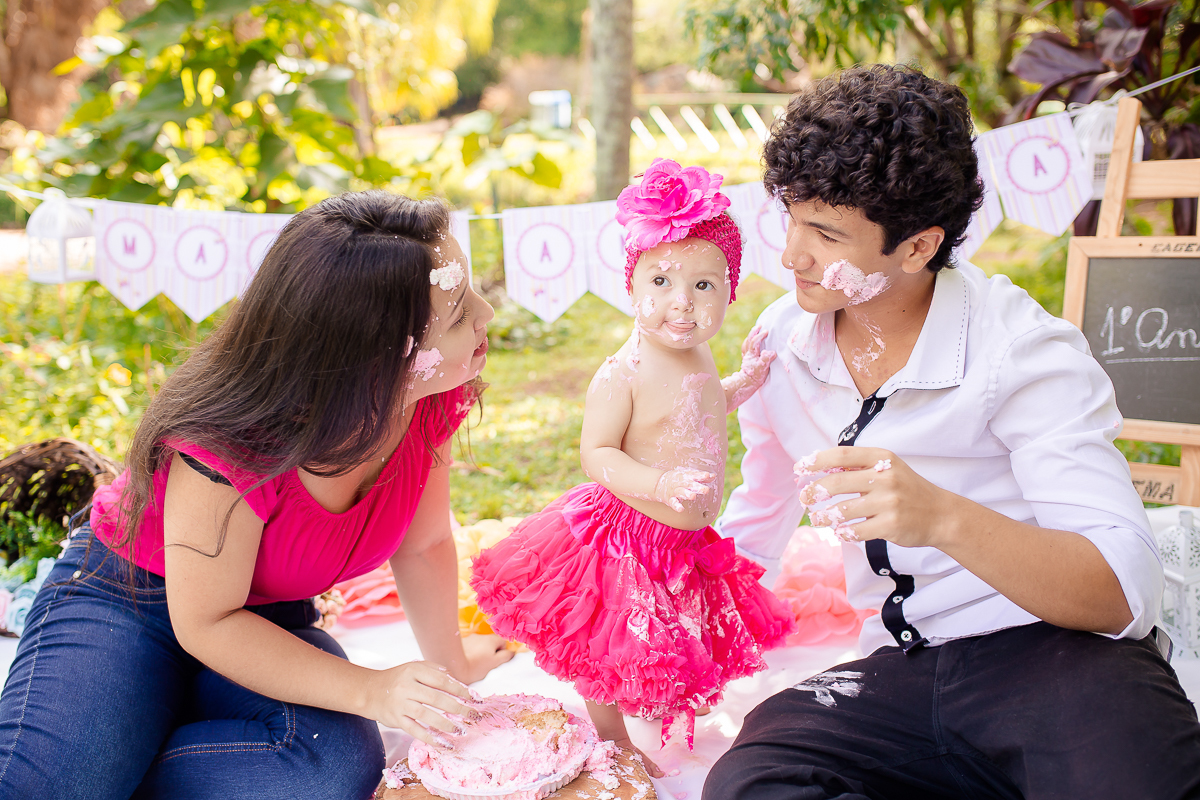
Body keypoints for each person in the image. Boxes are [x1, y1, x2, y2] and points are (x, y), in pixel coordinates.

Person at [704, 64, 1200, 799]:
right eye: (792, 217)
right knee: (752, 780)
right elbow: (761, 513)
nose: (790, 255)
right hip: (897, 670)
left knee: (1135, 783)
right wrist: (685, 629)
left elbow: (1126, 593)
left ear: (916, 247)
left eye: (826, 233)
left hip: (1060, 659)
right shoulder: (783, 343)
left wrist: (941, 517)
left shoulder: (1022, 351)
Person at [0, 191, 514, 800]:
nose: (485, 312)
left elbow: (423, 545)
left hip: (264, 618)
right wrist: (373, 690)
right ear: (373, 355)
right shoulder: (228, 440)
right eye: (458, 312)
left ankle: (126, 748)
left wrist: (451, 672)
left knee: (327, 771)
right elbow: (206, 619)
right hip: (128, 599)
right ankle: (112, 747)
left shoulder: (428, 399)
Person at [471, 159, 796, 776]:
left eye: (705, 286)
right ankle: (612, 736)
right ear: (632, 286)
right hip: (626, 534)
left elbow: (697, 409)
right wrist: (660, 483)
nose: (682, 303)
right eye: (661, 282)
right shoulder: (623, 372)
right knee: (602, 644)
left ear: (730, 290)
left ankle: (653, 697)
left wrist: (743, 383)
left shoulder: (696, 351)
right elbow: (597, 453)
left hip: (681, 536)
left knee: (667, 630)